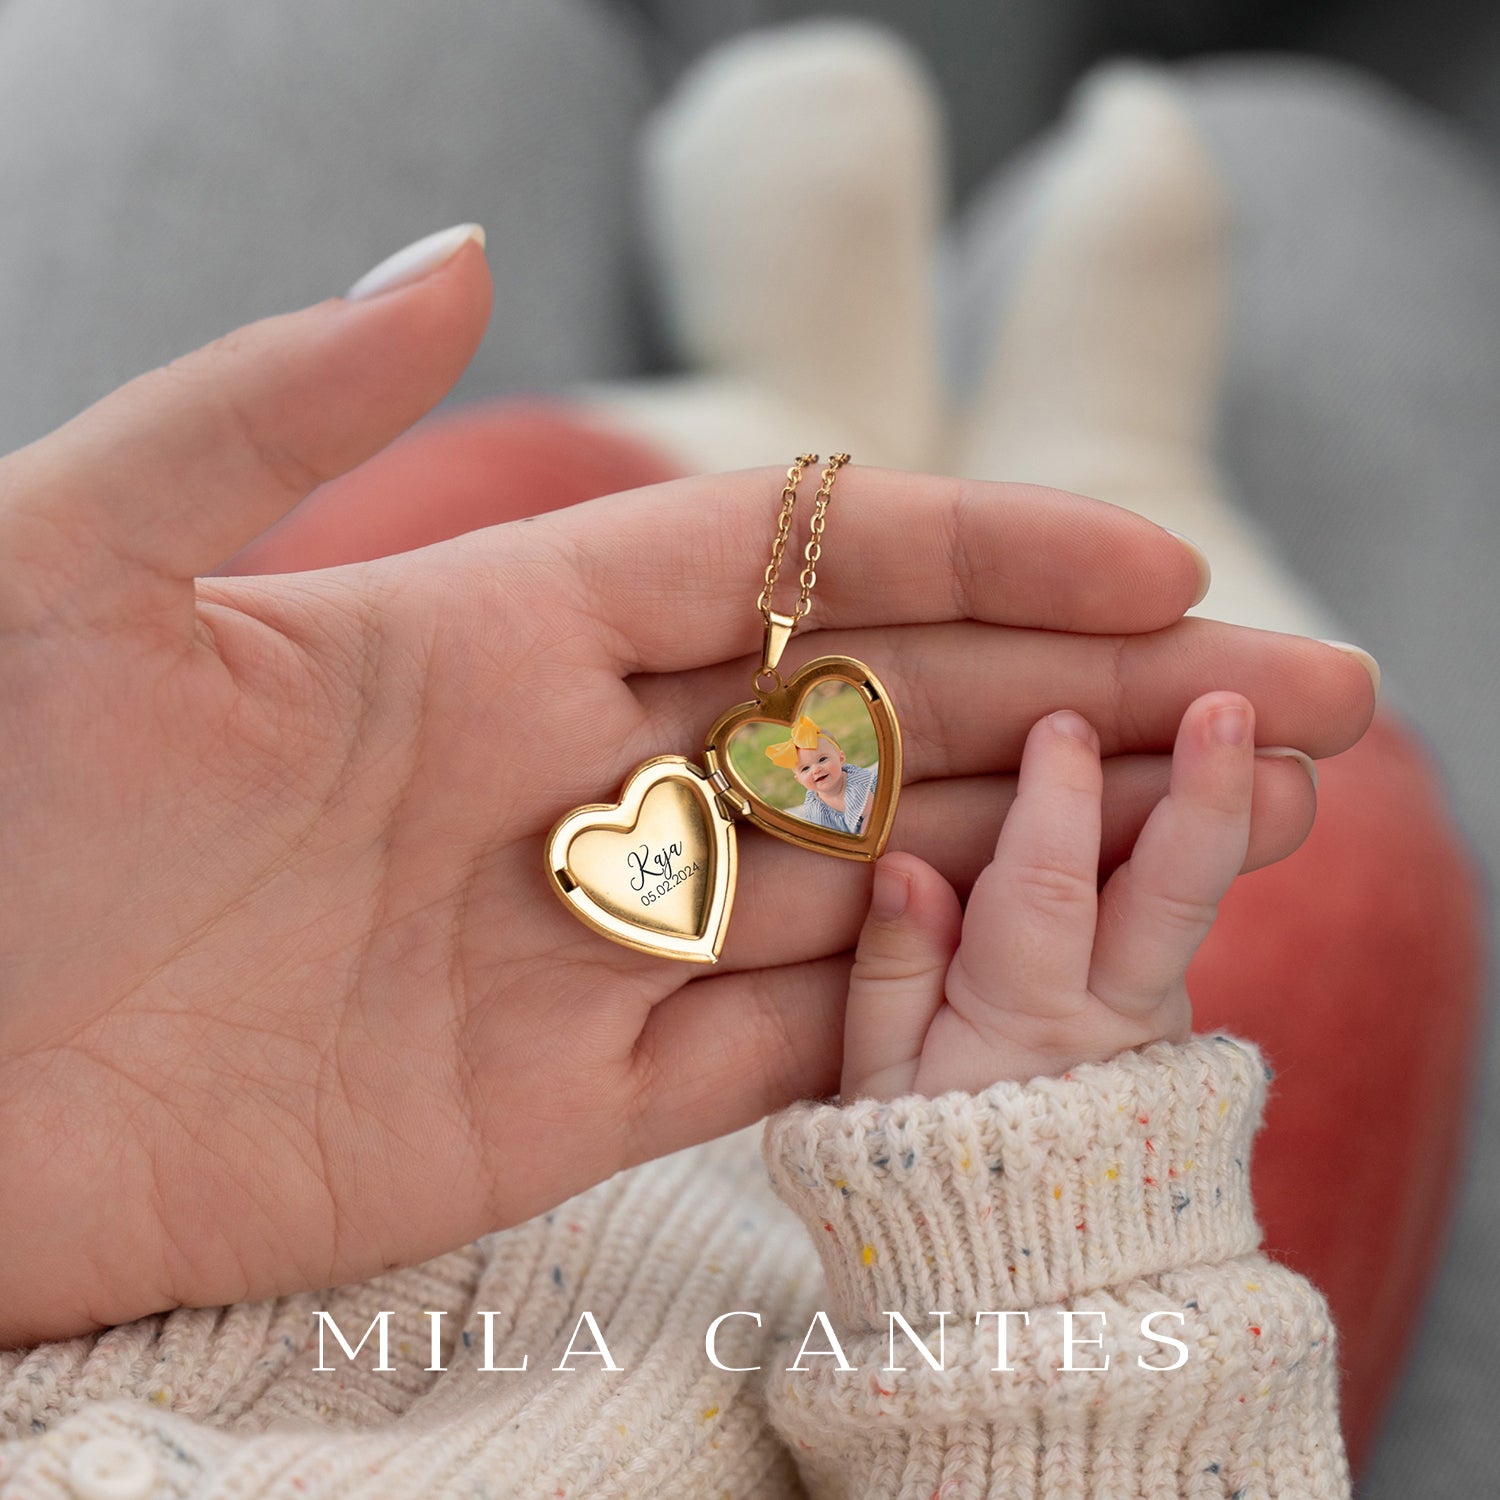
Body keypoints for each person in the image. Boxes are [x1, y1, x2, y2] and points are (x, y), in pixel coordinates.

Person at [0, 228, 1369, 1496]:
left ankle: (787, 400)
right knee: (1297, 860)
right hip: (959, 1213)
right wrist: (1049, 1228)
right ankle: (1129, 464)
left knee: (483, 509)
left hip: (353, 918)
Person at [768, 713, 879, 834]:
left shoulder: (857, 786)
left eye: (822, 759)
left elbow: (872, 817)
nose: (816, 770)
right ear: (798, 780)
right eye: (805, 769)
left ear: (841, 758)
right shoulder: (814, 806)